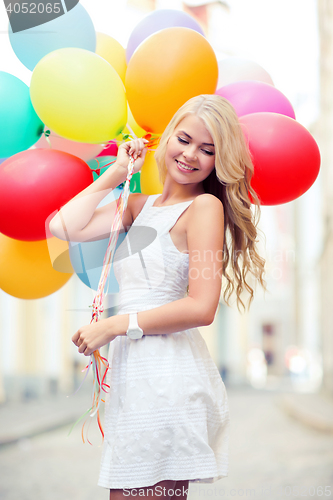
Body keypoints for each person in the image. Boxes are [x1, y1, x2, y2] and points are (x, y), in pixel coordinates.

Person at [49, 94, 266, 499]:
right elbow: (63, 226)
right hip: (133, 379)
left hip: (169, 380)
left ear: (219, 161)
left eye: (208, 150)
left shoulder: (204, 209)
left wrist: (114, 325)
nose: (190, 155)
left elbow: (201, 307)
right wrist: (116, 171)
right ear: (166, 137)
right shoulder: (139, 208)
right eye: (183, 139)